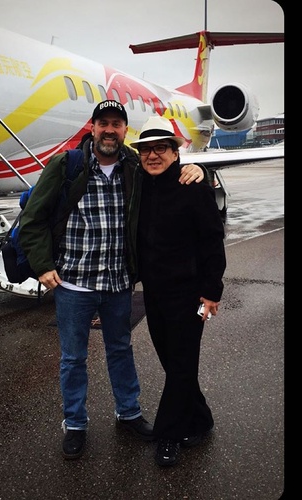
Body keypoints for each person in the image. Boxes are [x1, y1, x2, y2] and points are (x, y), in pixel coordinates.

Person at [18, 100, 205, 460]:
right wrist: (42, 265)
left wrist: (195, 168)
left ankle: (128, 413)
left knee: (120, 350)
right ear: (92, 128)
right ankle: (75, 424)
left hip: (118, 283)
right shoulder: (66, 165)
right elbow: (33, 218)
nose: (109, 130)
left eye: (116, 124)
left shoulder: (133, 166)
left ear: (124, 131)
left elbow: (166, 171)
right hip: (74, 284)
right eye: (103, 123)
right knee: (73, 358)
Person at [130, 115, 226, 467]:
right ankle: (201, 418)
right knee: (174, 362)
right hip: (154, 295)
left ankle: (168, 435)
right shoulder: (139, 187)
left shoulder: (193, 187)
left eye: (161, 149)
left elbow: (213, 241)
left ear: (175, 153)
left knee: (183, 361)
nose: (153, 155)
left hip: (193, 298)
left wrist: (211, 292)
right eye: (146, 150)